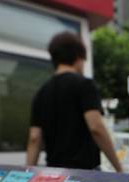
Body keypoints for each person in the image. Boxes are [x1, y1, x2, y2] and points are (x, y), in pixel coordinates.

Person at [26, 32, 122, 172]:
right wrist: (118, 168)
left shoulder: (41, 93)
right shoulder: (84, 85)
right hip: (85, 173)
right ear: (78, 58)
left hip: (54, 174)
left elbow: (34, 138)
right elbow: (96, 128)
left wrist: (28, 174)